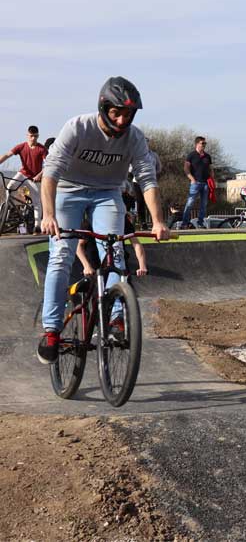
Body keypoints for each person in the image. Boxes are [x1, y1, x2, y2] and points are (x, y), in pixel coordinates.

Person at [37, 76, 170, 364]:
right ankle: (51, 330)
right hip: (67, 192)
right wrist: (48, 215)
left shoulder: (134, 138)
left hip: (107, 194)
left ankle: (116, 322)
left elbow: (147, 180)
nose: (122, 120)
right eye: (116, 113)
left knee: (115, 253)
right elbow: (50, 174)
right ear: (103, 108)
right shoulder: (77, 128)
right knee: (61, 255)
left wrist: (158, 222)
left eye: (128, 114)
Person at [0, 125, 47, 233]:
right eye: (31, 136)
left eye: (35, 136)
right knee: (9, 187)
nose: (33, 138)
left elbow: (49, 164)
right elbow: (7, 155)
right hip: (23, 174)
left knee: (36, 201)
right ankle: (8, 208)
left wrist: (39, 175)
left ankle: (37, 226)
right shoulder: (21, 147)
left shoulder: (42, 149)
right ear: (27, 136)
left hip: (34, 178)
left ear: (38, 136)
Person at [181, 136, 213, 228]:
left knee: (204, 204)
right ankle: (185, 223)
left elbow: (211, 169)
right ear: (197, 144)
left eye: (205, 143)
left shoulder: (208, 156)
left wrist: (212, 179)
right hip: (196, 183)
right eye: (202, 143)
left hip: (205, 183)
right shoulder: (191, 155)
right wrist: (192, 179)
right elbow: (186, 169)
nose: (204, 145)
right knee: (190, 203)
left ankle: (200, 222)